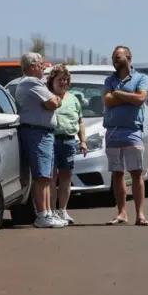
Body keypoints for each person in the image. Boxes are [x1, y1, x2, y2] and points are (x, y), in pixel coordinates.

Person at [14, 52, 66, 228]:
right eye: (41, 64)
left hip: (43, 133)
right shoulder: (31, 82)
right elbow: (52, 103)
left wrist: (52, 100)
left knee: (46, 176)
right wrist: (56, 99)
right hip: (37, 133)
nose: (44, 67)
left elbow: (50, 102)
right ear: (32, 66)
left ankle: (48, 212)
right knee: (41, 176)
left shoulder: (35, 83)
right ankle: (42, 215)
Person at [102, 45, 148, 226]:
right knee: (117, 173)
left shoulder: (141, 78)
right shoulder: (110, 80)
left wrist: (119, 94)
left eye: (118, 56)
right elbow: (107, 101)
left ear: (128, 58)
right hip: (113, 131)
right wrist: (129, 96)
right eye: (113, 57)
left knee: (137, 173)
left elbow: (140, 99)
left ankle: (140, 214)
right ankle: (122, 212)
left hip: (132, 131)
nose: (115, 59)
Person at [47, 64, 88, 224]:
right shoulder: (48, 97)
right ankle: (51, 211)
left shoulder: (74, 99)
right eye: (60, 79)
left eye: (66, 79)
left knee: (66, 177)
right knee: (51, 177)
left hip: (69, 141)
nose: (63, 82)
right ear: (52, 81)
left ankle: (62, 210)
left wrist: (83, 141)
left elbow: (80, 122)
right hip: (51, 140)